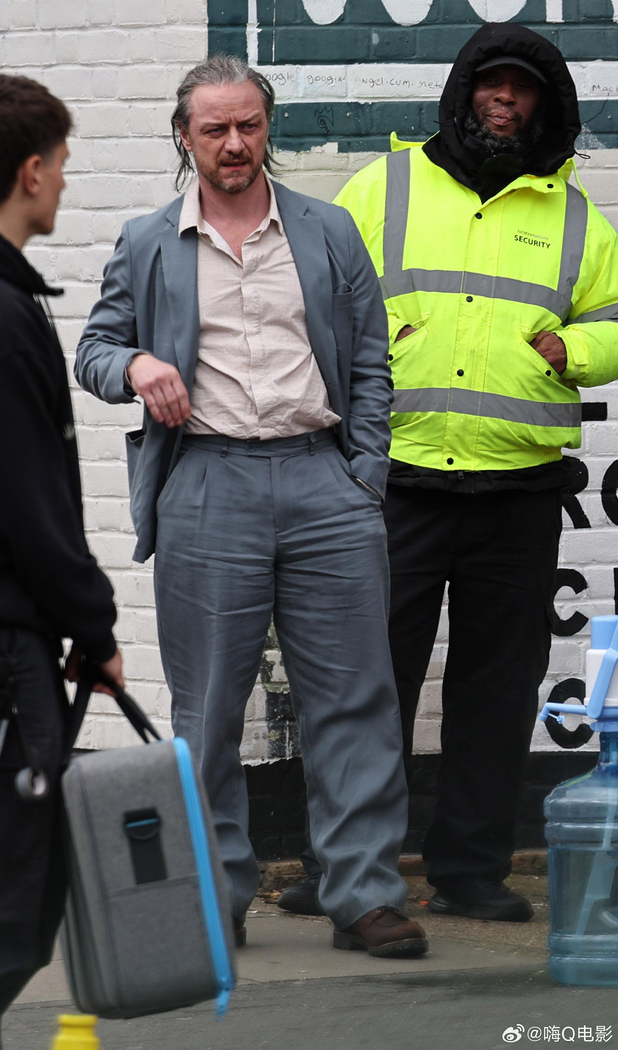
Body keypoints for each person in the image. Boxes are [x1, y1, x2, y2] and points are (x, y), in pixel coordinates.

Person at [76, 54, 427, 958]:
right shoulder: (149, 241)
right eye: (215, 129)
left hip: (325, 483)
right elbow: (94, 351)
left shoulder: (327, 230)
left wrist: (364, 475)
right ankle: (214, 899)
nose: (235, 144)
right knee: (208, 713)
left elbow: (371, 359)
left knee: (355, 700)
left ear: (267, 128)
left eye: (249, 126)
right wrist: (136, 365)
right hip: (207, 483)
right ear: (184, 136)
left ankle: (363, 895)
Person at [279, 22, 618, 924]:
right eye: (491, 83)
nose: (505, 99)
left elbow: (614, 321)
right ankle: (340, 866)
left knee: (496, 689)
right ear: (464, 91)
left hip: (520, 488)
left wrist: (577, 349)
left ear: (545, 106)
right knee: (365, 683)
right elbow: (312, 294)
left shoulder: (575, 215)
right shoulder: (382, 185)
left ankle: (470, 871)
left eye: (523, 88)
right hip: (393, 481)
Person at [0, 74, 123, 1049]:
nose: (67, 183)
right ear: (31, 171)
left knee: (16, 889)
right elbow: (27, 506)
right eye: (64, 165)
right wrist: (94, 624)